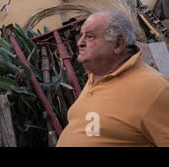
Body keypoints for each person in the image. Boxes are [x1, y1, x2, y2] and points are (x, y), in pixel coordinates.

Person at [57, 10, 169, 146]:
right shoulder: (97, 76)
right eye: (82, 36)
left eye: (90, 36)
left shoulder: (155, 89)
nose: (80, 42)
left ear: (117, 45)